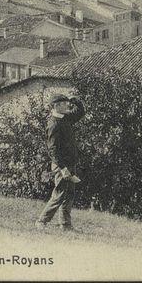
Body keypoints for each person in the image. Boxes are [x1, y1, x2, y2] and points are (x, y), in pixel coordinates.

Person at [35, 93, 85, 231]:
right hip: (61, 165)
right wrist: (63, 168)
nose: (67, 105)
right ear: (56, 106)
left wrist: (76, 101)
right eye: (64, 104)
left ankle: (65, 225)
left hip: (70, 163)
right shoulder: (53, 124)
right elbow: (53, 150)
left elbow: (80, 113)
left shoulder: (65, 118)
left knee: (69, 194)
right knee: (60, 193)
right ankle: (42, 221)